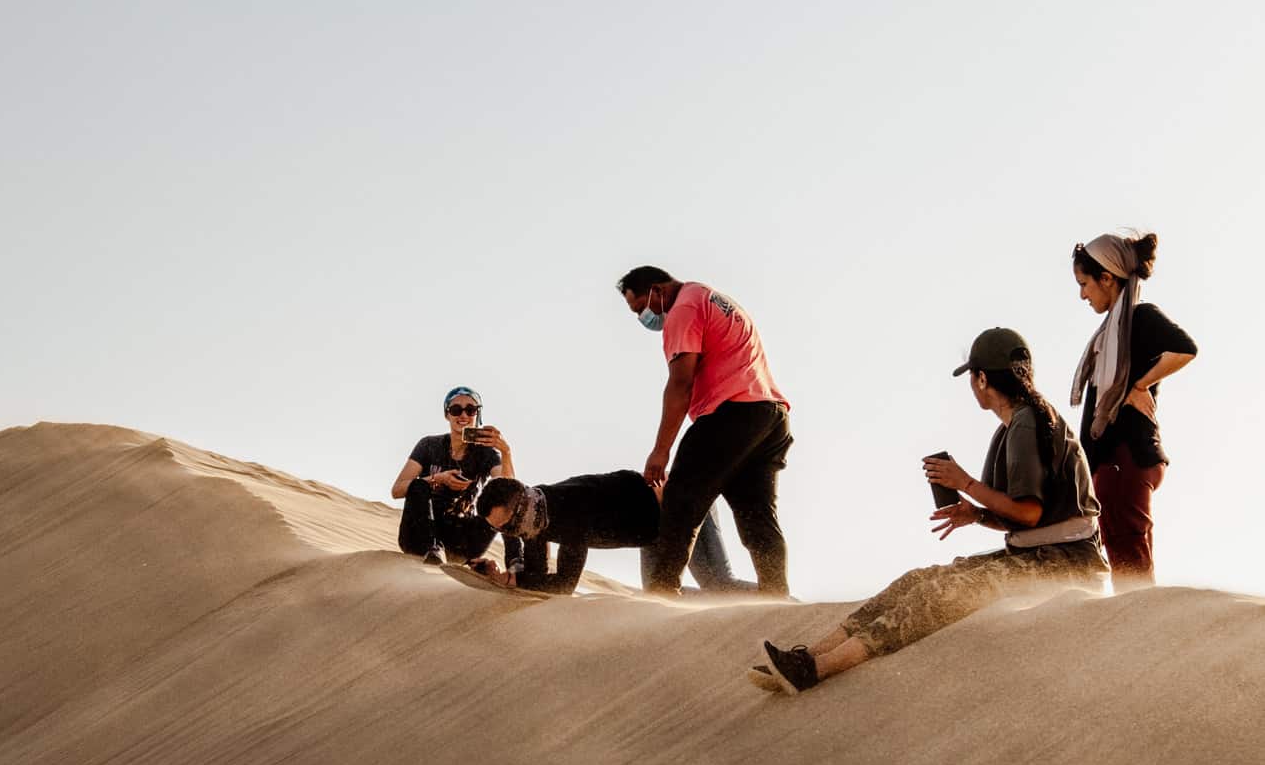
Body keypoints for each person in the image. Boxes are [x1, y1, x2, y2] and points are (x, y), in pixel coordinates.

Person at [753, 328, 1106, 695]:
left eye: (972, 377)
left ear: (982, 378)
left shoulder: (1026, 424)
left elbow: (1030, 513)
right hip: (1039, 553)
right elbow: (1031, 515)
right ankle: (806, 656)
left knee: (935, 595)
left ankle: (817, 669)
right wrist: (978, 515)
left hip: (1068, 565)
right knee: (915, 581)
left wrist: (965, 483)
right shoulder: (1016, 425)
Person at [617, 265, 793, 597]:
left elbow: (680, 383)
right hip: (770, 415)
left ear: (657, 290)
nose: (643, 316)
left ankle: (662, 592)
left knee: (681, 498)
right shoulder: (712, 298)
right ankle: (776, 598)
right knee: (757, 517)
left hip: (732, 412)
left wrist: (661, 450)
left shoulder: (682, 308)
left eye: (640, 307)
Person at [1071, 231, 1197, 587]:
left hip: (1126, 458)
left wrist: (1140, 385)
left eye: (1085, 283)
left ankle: (1145, 638)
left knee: (1133, 575)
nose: (1083, 294)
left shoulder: (1139, 316)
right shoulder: (1111, 331)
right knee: (1129, 565)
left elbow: (1185, 348)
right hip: (1114, 464)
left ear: (1107, 278)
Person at [390, 387, 521, 571]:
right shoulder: (428, 445)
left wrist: (506, 452)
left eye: (471, 410)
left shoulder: (486, 454)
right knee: (418, 485)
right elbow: (397, 490)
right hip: (420, 532)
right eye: (456, 410)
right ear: (447, 415)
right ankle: (433, 548)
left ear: (478, 414)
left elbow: (511, 492)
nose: (463, 415)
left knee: (503, 499)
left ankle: (516, 563)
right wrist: (438, 479)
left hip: (460, 537)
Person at [473, 471, 662, 594]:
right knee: (660, 594)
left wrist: (509, 579)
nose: (510, 534)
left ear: (522, 508)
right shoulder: (535, 513)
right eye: (499, 529)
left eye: (508, 527)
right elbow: (535, 573)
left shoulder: (571, 513)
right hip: (652, 535)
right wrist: (500, 574)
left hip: (673, 513)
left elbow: (565, 585)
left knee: (666, 594)